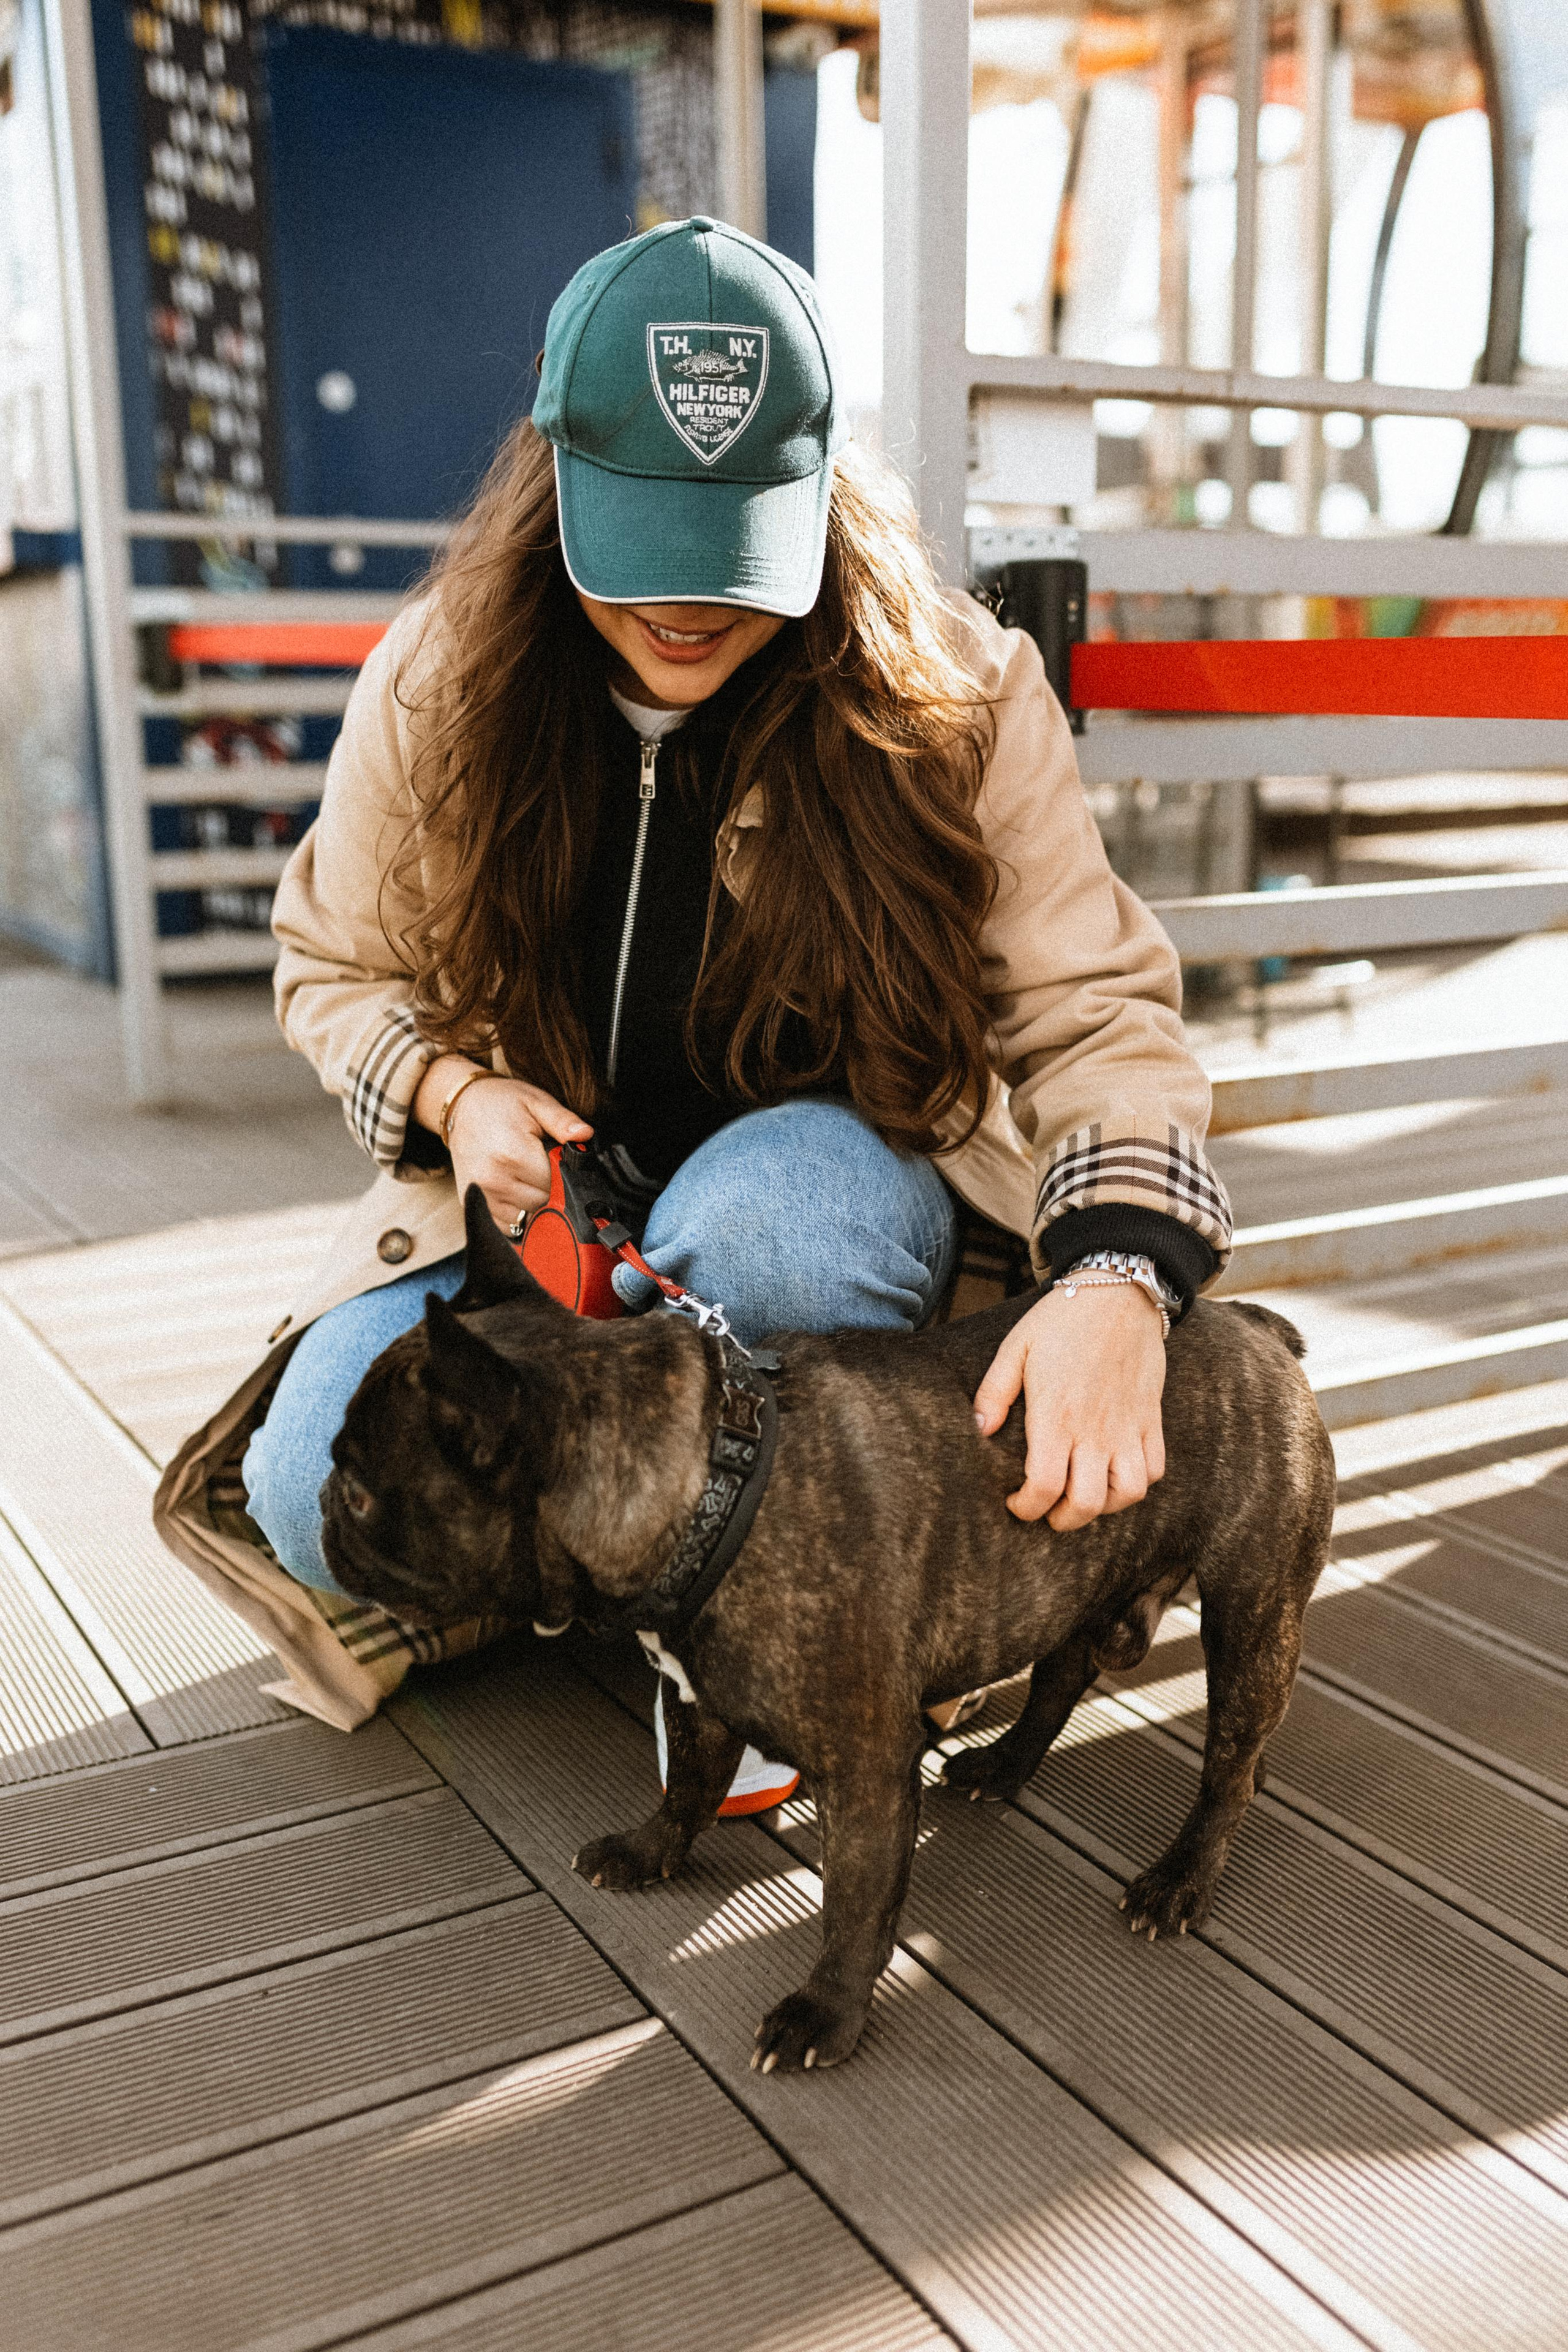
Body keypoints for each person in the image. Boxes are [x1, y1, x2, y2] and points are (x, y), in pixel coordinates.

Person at [156, 217, 1231, 1772]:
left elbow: (1099, 1013)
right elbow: (331, 965)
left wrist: (1118, 1280)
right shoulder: (438, 677)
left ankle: (775, 1605)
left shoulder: (959, 694)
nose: (686, 606)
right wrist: (454, 1095)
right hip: (535, 1230)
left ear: (821, 490)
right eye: (641, 537)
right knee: (308, 1484)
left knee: (771, 1235)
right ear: (553, 479)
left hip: (817, 1211)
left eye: (733, 543)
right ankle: (629, 1568)